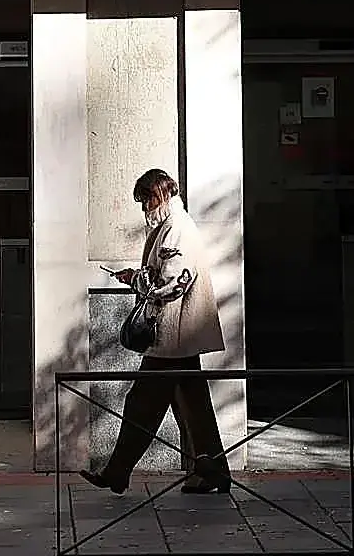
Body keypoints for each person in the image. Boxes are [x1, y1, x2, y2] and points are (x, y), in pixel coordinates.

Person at [81, 168, 231, 495]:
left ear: (157, 195)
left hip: (173, 336)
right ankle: (214, 472)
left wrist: (136, 279)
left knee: (142, 404)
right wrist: (137, 274)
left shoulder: (176, 229)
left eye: (144, 201)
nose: (143, 209)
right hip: (179, 336)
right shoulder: (173, 225)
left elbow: (173, 283)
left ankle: (117, 472)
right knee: (193, 406)